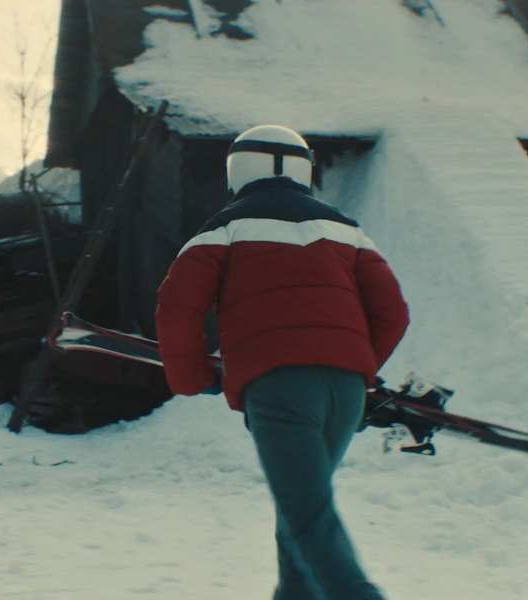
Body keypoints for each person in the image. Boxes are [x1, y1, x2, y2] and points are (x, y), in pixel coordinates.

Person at [155, 124, 410, 600]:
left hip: (280, 387)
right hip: (347, 391)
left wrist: (193, 378)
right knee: (297, 516)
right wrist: (355, 368)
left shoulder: (223, 228)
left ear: (239, 169)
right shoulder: (347, 230)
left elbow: (176, 307)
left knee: (309, 519)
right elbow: (393, 312)